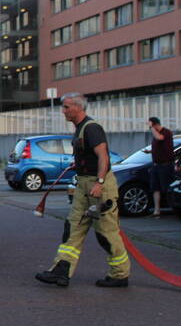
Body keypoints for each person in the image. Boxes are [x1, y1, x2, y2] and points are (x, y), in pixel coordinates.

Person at [36, 92, 130, 288]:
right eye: (63, 107)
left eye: (67, 107)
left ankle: (120, 275)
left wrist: (100, 182)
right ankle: (61, 271)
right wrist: (79, 165)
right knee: (73, 227)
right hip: (84, 185)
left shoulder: (92, 128)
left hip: (99, 187)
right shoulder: (80, 129)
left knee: (106, 233)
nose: (63, 111)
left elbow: (103, 157)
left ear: (78, 107)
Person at [148, 116, 175, 218]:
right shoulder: (155, 135)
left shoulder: (166, 132)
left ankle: (173, 208)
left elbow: (160, 138)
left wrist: (152, 128)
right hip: (156, 165)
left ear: (155, 124)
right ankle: (156, 210)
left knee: (166, 187)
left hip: (166, 165)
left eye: (151, 125)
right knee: (155, 188)